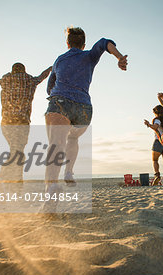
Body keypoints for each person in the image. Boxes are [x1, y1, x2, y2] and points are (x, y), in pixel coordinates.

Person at [45, 27, 127, 195]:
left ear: (67, 43)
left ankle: (51, 186)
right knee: (73, 137)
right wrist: (119, 57)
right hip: (83, 108)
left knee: (56, 143)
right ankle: (69, 172)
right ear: (83, 45)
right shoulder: (89, 56)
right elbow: (105, 43)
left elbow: (49, 87)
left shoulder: (59, 60)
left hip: (59, 102)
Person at [0, 63, 52, 181]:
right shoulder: (29, 81)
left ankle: (14, 177)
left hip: (6, 122)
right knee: (17, 149)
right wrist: (52, 67)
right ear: (24, 70)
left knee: (16, 149)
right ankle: (6, 176)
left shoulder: (6, 80)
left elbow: (0, 80)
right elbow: (42, 76)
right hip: (22, 121)